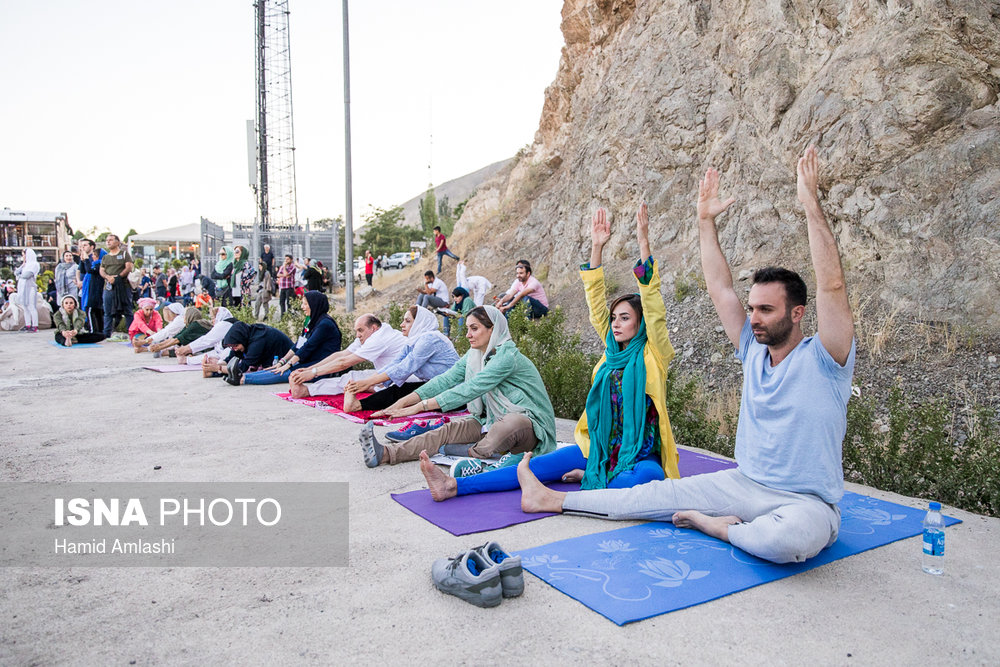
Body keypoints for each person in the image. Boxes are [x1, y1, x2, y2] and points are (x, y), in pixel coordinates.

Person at [514, 147, 857, 565]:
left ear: (798, 313)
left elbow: (833, 285)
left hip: (807, 502)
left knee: (788, 543)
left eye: (765, 309)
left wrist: (810, 206)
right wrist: (704, 221)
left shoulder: (827, 359)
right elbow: (720, 288)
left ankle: (717, 525)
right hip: (744, 485)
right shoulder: (752, 348)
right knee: (651, 495)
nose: (754, 318)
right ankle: (550, 500)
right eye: (752, 309)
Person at [418, 204, 679, 499]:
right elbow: (595, 304)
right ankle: (452, 486)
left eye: (625, 318)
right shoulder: (610, 352)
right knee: (533, 468)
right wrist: (596, 247)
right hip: (600, 449)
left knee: (643, 482)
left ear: (641, 323)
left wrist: (643, 240)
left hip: (641, 456)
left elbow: (653, 302)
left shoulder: (654, 353)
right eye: (614, 317)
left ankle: (591, 480)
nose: (616, 324)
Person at [360, 305, 557, 468]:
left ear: (493, 329)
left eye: (475, 328)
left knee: (510, 424)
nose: (468, 335)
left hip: (530, 427)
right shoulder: (475, 355)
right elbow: (444, 380)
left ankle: (472, 450)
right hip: (490, 420)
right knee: (445, 431)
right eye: (467, 329)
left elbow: (471, 388)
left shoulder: (507, 357)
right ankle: (385, 453)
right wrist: (400, 404)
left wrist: (420, 407)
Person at [342, 305, 459, 412]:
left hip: (451, 391)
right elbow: (395, 363)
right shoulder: (413, 341)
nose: (402, 324)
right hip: (435, 385)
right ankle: (357, 405)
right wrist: (364, 383)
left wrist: (368, 382)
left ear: (420, 323)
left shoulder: (429, 339)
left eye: (408, 321)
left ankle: (357, 405)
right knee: (401, 388)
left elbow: (404, 368)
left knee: (405, 391)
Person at [288, 314, 407, 399]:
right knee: (351, 377)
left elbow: (344, 363)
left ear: (373, 328)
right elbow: (342, 355)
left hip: (403, 380)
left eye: (360, 330)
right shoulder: (371, 334)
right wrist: (309, 369)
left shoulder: (379, 339)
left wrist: (313, 372)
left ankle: (306, 391)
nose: (357, 335)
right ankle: (375, 387)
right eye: (356, 331)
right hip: (386, 375)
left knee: (351, 379)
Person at [243, 291, 343, 385]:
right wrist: (283, 362)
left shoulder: (325, 324)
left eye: (305, 304)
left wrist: (288, 365)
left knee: (284, 373)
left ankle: (243, 379)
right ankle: (242, 376)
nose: (302, 307)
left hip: (319, 366)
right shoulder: (313, 321)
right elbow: (299, 344)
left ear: (314, 305)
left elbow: (308, 347)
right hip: (307, 361)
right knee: (276, 369)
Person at [220, 321, 294, 385]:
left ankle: (243, 379)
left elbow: (242, 367)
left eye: (235, 346)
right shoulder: (247, 336)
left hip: (289, 362)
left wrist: (218, 369)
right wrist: (215, 366)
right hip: (279, 362)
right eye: (231, 347)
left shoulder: (258, 340)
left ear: (241, 339)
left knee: (270, 374)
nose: (234, 349)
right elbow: (232, 358)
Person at [99, 234, 134, 337]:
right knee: (107, 311)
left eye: (111, 240)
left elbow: (129, 267)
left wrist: (118, 277)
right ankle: (106, 334)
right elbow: (101, 271)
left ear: (118, 242)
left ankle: (132, 333)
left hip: (123, 286)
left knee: (127, 310)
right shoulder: (105, 257)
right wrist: (108, 277)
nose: (108, 242)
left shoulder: (124, 254)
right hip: (108, 287)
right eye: (107, 240)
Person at [150, 306, 214, 356]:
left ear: (189, 316)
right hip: (201, 349)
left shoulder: (195, 325)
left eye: (185, 315)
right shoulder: (191, 324)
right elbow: (175, 337)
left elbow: (176, 340)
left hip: (207, 350)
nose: (183, 317)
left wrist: (159, 347)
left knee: (179, 351)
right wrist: (159, 345)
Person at [79, 239, 105, 330]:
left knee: (90, 310)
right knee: (97, 312)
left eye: (94, 255)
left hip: (94, 292)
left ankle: (93, 331)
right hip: (93, 291)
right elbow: (84, 270)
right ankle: (100, 331)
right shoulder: (95, 264)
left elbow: (90, 270)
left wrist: (86, 259)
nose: (92, 257)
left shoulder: (99, 265)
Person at [416, 270, 452, 334]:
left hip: (443, 302)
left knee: (426, 297)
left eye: (427, 279)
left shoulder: (437, 282)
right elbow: (426, 292)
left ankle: (422, 311)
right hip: (437, 300)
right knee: (422, 295)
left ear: (431, 278)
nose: (426, 280)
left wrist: (425, 284)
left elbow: (429, 293)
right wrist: (421, 290)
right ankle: (416, 308)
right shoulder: (431, 283)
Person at [15, 248, 40, 332]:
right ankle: (28, 324)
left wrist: (19, 276)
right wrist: (22, 265)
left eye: (24, 255)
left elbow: (27, 275)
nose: (23, 257)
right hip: (23, 288)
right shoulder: (25, 265)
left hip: (30, 288)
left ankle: (35, 325)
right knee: (25, 306)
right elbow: (16, 272)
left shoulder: (34, 264)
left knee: (31, 306)